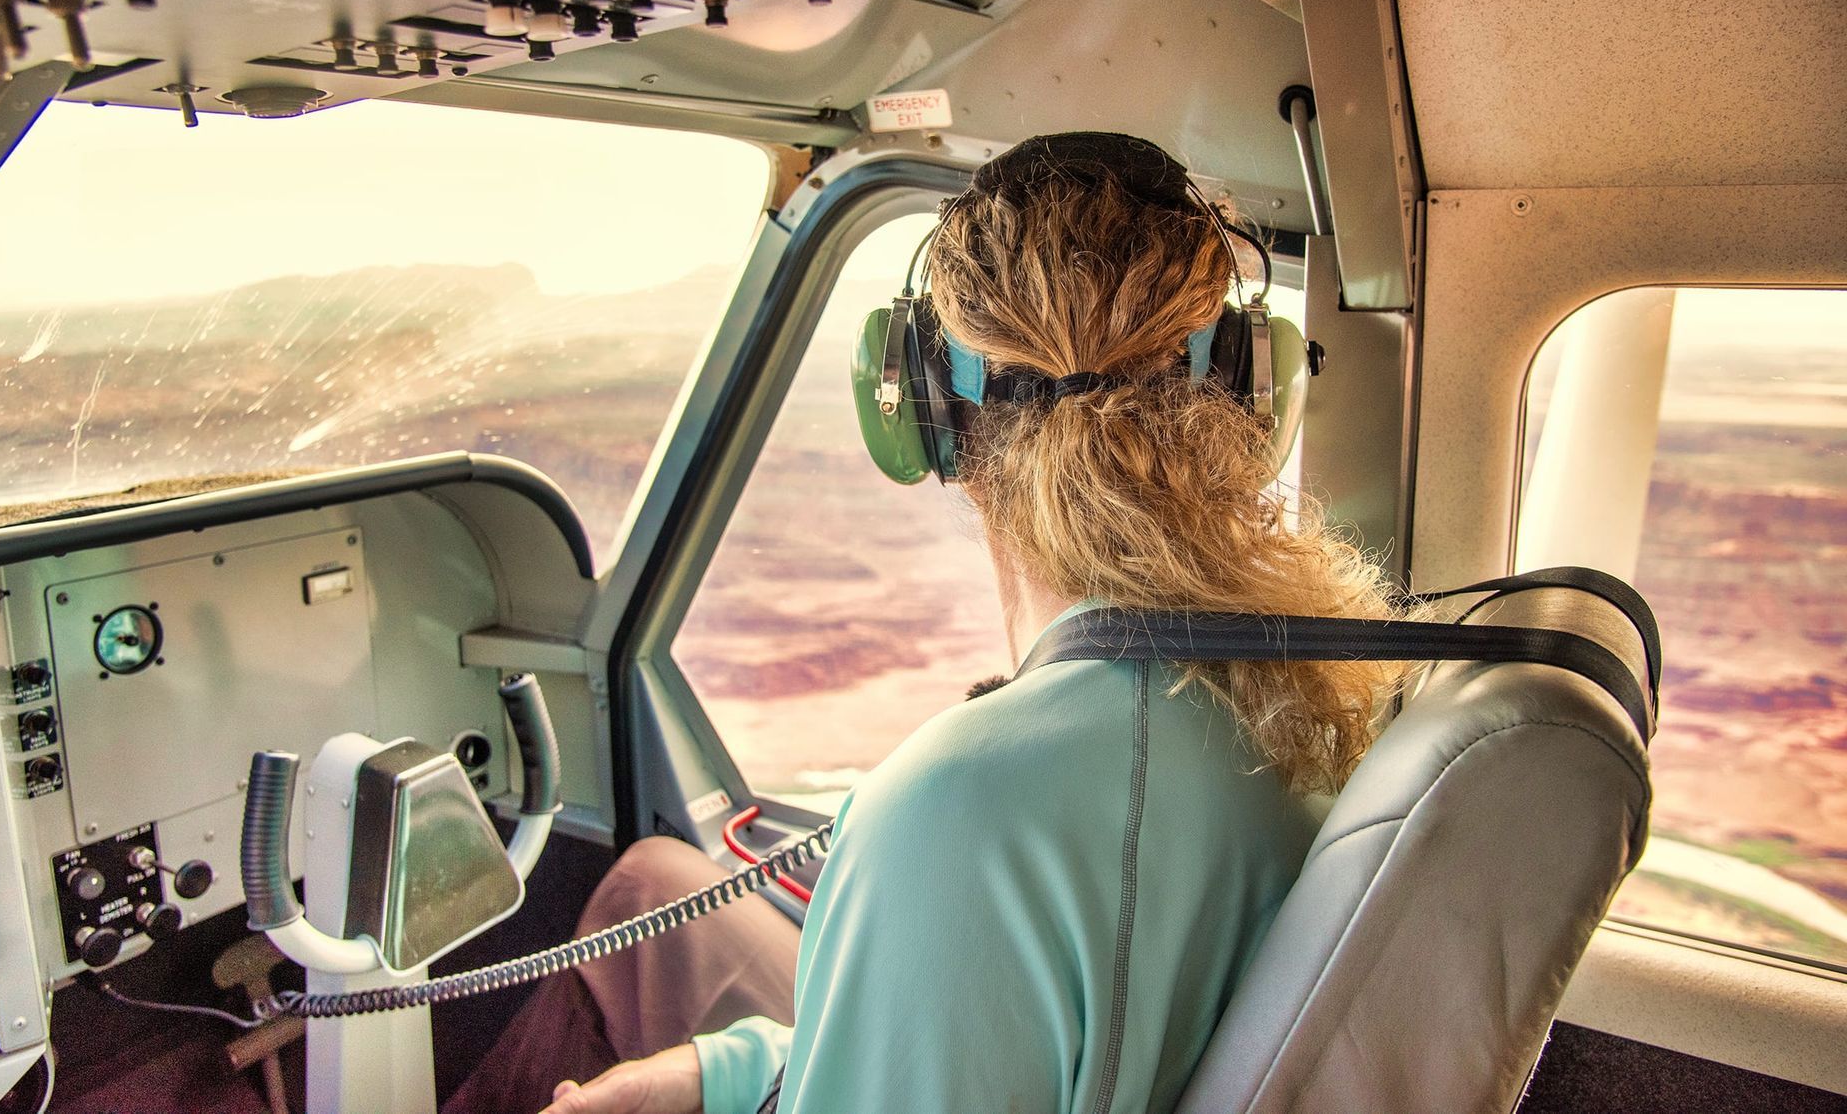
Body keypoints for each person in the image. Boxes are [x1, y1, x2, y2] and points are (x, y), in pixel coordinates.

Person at [445, 132, 1405, 1114]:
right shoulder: (1306, 698)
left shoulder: (964, 813)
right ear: (1248, 396)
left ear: (923, 413)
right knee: (652, 885)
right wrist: (713, 1075)